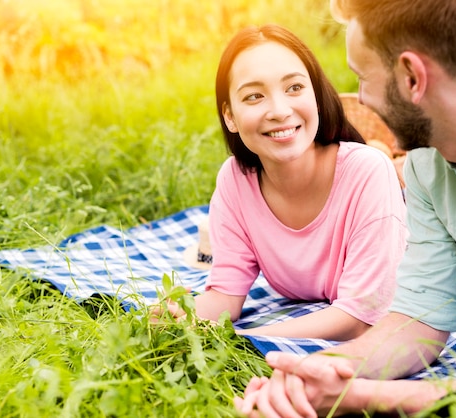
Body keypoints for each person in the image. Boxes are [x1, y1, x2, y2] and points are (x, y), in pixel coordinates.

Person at [234, 0, 456, 415]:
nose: (359, 98)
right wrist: (318, 373)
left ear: (412, 76)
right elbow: (417, 321)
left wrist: (358, 398)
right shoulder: (427, 160)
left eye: (362, 77)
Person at [152, 24, 407, 341]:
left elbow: (359, 318)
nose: (279, 110)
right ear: (230, 116)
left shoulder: (368, 171)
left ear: (315, 95)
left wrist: (242, 340)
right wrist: (185, 315)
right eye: (254, 96)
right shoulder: (235, 181)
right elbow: (225, 296)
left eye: (295, 88)